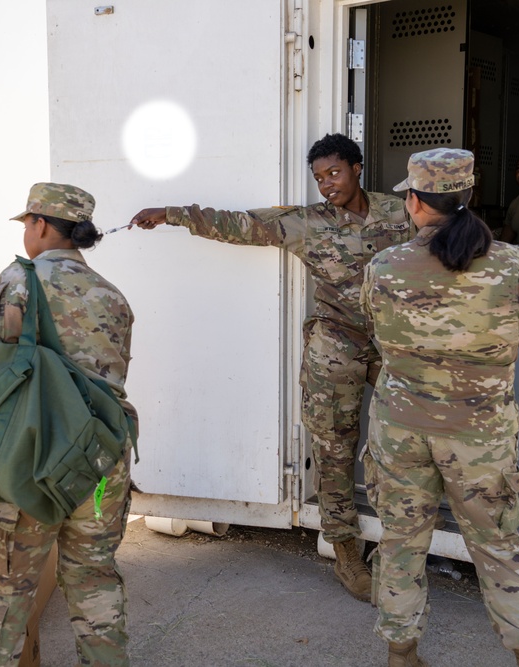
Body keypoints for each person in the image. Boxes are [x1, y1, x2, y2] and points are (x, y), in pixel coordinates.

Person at [130, 133, 414, 601]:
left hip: (393, 345)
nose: (326, 185)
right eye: (319, 178)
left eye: (334, 173)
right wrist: (173, 214)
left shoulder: (400, 212)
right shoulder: (308, 223)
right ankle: (345, 553)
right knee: (333, 449)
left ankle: (398, 549)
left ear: (358, 167)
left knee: (402, 446)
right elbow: (241, 224)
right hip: (335, 344)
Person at [360, 148, 519, 667]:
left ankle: (401, 657)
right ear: (467, 197)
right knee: (496, 546)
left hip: (401, 430)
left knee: (401, 542)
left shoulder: (384, 268)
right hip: (479, 436)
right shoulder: (512, 265)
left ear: (416, 203)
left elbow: (378, 331)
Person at [0, 183, 137, 667]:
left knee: (6, 588)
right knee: (94, 576)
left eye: (27, 223)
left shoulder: (20, 280)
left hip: (30, 461)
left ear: (39, 224)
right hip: (101, 461)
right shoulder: (112, 294)